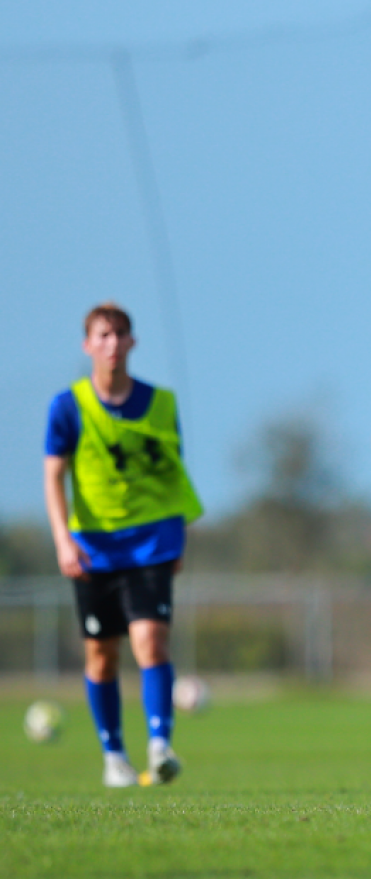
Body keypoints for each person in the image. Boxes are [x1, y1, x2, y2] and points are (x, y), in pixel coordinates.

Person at [44, 302, 201, 789]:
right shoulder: (68, 406)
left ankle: (160, 746)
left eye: (120, 334)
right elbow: (54, 475)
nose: (112, 343)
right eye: (103, 335)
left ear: (133, 342)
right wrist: (63, 539)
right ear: (87, 345)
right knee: (101, 655)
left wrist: (179, 534)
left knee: (150, 641)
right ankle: (113, 754)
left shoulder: (161, 403)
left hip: (152, 541)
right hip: (93, 547)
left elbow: (173, 474)